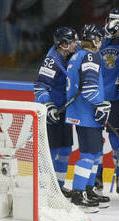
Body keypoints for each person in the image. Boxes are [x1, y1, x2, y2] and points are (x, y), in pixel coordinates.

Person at [65, 24, 111, 212]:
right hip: (87, 113)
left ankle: (88, 189)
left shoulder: (76, 55)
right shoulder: (90, 56)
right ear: (93, 40)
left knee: (95, 153)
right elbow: (90, 89)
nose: (100, 43)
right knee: (89, 155)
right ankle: (78, 193)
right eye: (98, 39)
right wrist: (101, 104)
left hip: (80, 112)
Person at [34, 26, 78, 197]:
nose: (77, 44)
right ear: (64, 44)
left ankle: (58, 187)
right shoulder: (52, 61)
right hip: (52, 112)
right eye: (73, 42)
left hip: (65, 111)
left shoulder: (69, 54)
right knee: (50, 151)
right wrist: (49, 106)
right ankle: (45, 188)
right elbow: (40, 86)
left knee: (66, 149)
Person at [98, 8, 119, 197]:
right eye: (112, 21)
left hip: (118, 99)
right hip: (98, 98)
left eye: (118, 23)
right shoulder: (98, 40)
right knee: (95, 141)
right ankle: (97, 176)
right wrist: (104, 35)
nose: (114, 26)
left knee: (116, 140)